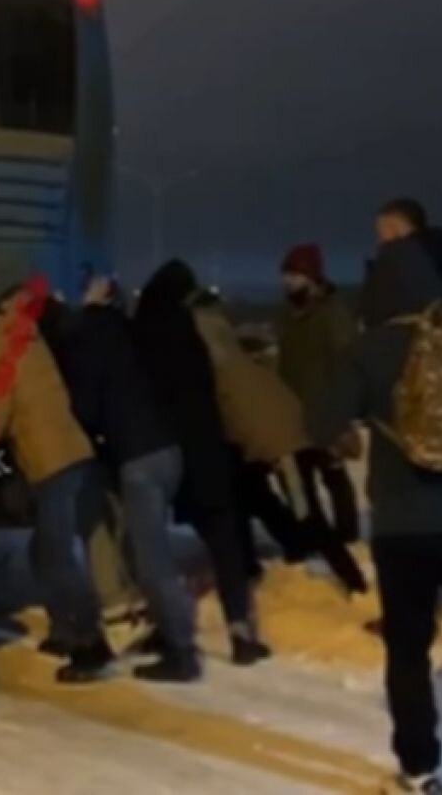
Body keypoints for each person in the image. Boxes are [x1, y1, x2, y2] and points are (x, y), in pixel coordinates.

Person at [311, 237, 442, 795]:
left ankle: (419, 769)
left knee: (408, 650)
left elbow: (321, 420)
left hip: (403, 526)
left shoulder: (370, 349)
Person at [39, 277, 201, 682]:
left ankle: (182, 653)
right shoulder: (126, 331)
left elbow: (88, 407)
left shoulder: (87, 343)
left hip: (139, 457)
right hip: (165, 446)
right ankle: (166, 633)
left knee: (151, 560)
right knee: (142, 547)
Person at [0, 284, 112, 682]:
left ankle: (91, 642)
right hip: (71, 454)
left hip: (52, 463)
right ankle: (66, 630)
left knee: (57, 555)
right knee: (45, 552)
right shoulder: (29, 341)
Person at [133, 261, 270, 665]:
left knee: (151, 549)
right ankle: (241, 631)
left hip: (161, 449)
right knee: (224, 540)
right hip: (205, 447)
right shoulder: (192, 331)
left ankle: (166, 628)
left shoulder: (141, 332)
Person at [191, 283, 367, 595]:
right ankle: (295, 553)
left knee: (306, 511)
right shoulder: (229, 351)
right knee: (252, 495)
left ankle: (353, 580)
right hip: (281, 432)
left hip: (284, 443)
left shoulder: (212, 363)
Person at [277, 244, 361, 543]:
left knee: (334, 477)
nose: (287, 281)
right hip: (295, 413)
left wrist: (341, 412)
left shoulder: (332, 313)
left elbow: (347, 361)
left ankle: (347, 534)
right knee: (298, 482)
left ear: (311, 277)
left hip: (326, 413)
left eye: (294, 274)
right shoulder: (288, 315)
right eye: (285, 274)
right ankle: (313, 534)